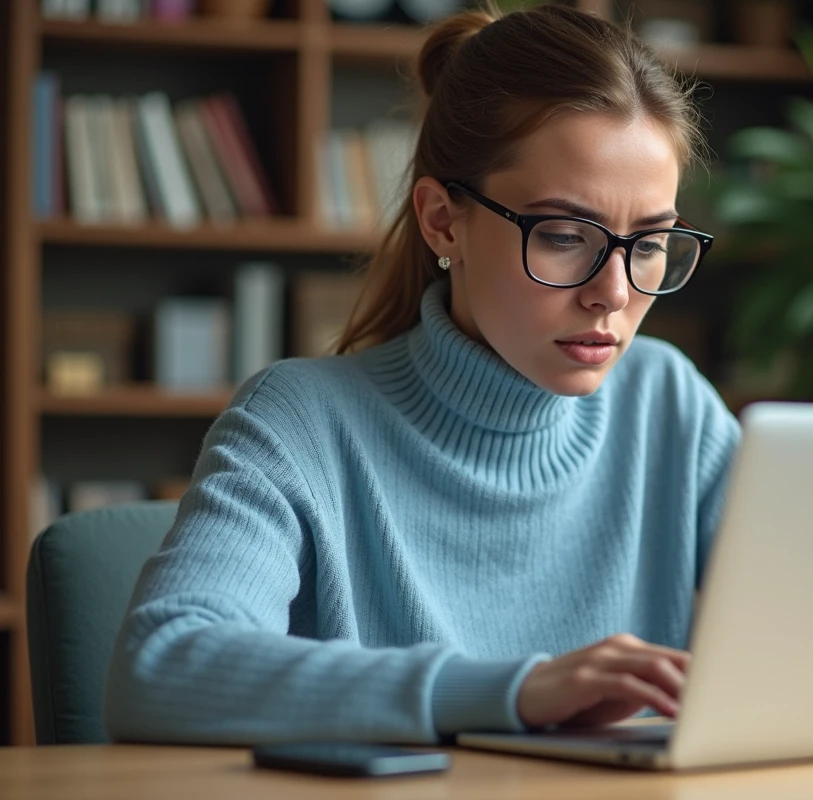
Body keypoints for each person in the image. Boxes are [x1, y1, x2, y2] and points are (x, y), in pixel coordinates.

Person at [103, 3, 740, 745]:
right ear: (443, 221)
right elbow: (161, 668)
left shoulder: (669, 403)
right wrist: (517, 692)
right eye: (566, 236)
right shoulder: (302, 422)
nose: (616, 291)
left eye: (651, 241)